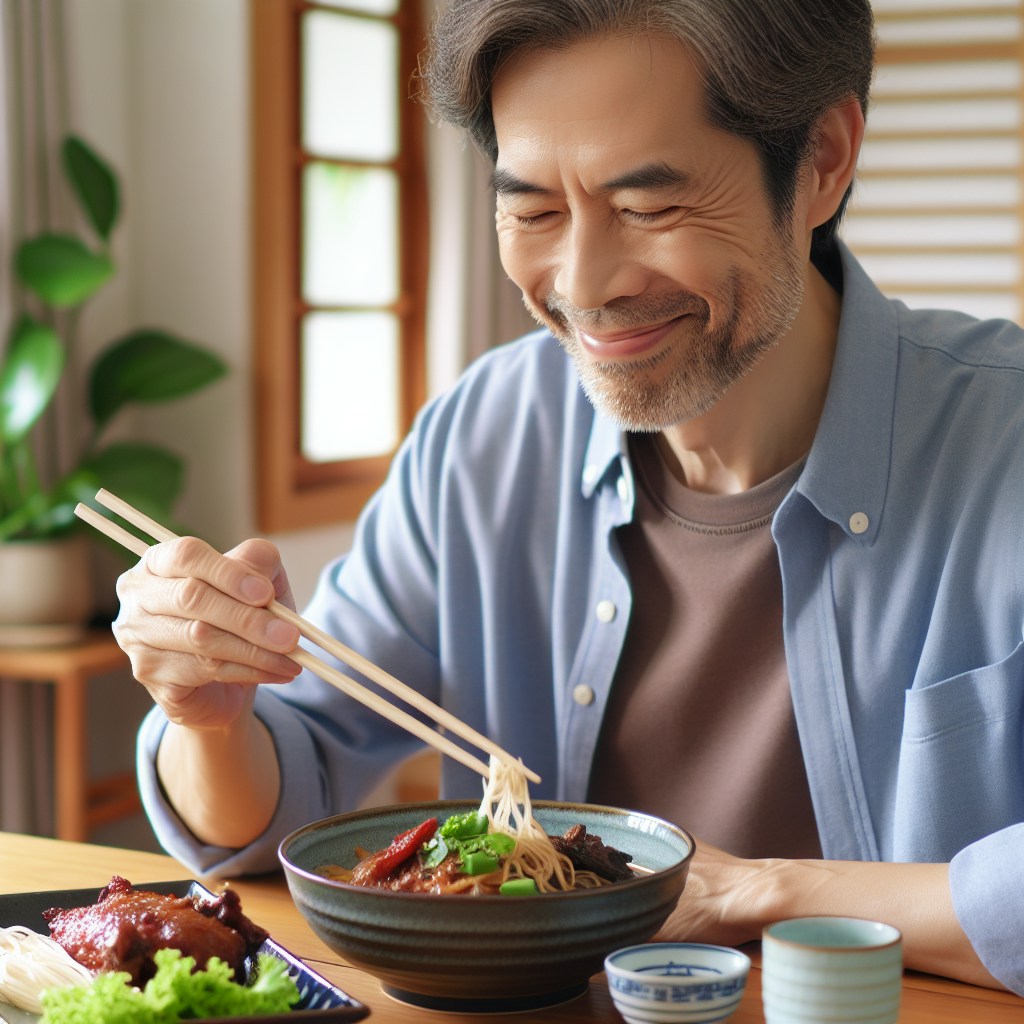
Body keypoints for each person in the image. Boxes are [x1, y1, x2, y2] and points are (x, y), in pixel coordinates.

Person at [116, 0, 1024, 995]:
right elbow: (288, 794)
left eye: (648, 207)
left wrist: (760, 890)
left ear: (821, 160)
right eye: (534, 210)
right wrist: (206, 715)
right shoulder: (487, 435)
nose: (583, 283)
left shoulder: (1001, 442)